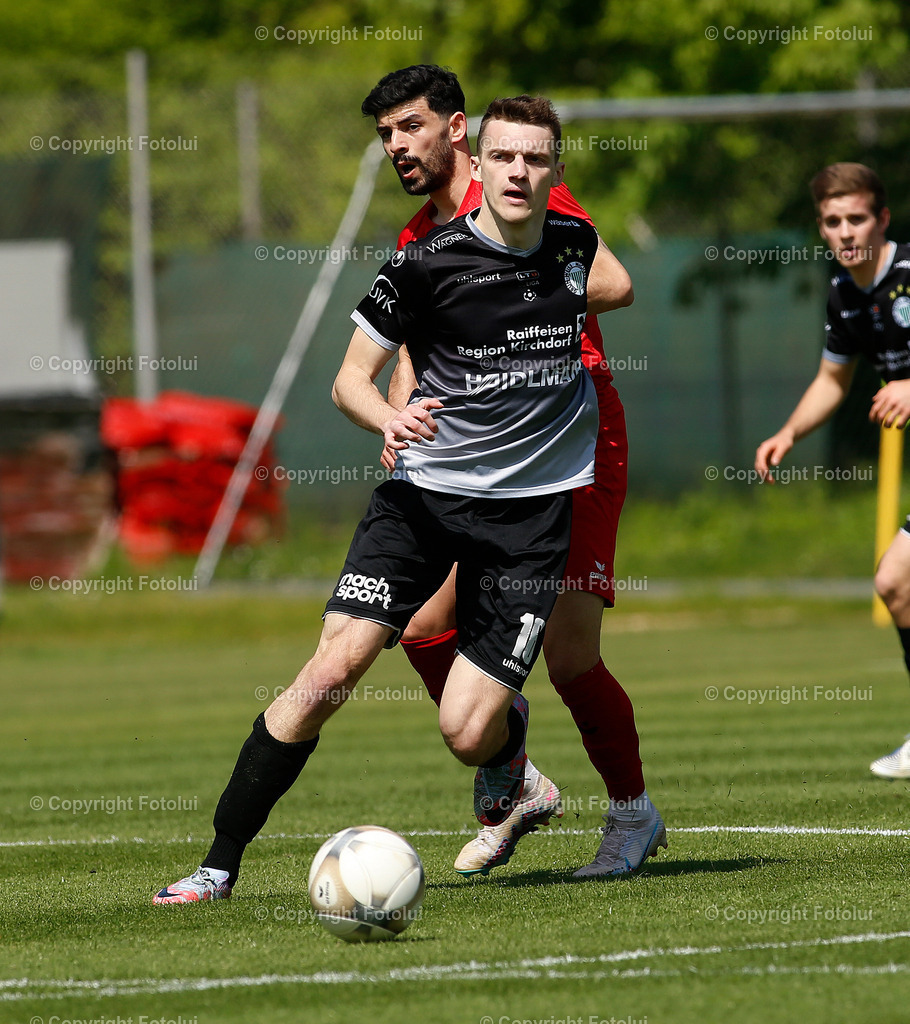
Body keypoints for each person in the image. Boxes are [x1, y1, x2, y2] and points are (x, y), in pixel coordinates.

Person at [155, 95, 612, 904]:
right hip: (423, 499)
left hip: (531, 519)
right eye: (505, 158)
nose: (518, 172)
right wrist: (393, 415)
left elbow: (613, 289)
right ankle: (216, 866)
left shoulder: (575, 244)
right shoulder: (421, 262)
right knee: (335, 666)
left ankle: (510, 758)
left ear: (556, 174)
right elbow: (346, 382)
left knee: (468, 732)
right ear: (485, 159)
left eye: (534, 160)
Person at [360, 65, 666, 878]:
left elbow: (608, 281)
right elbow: (411, 351)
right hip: (468, 459)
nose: (396, 146)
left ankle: (633, 815)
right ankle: (518, 773)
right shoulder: (416, 241)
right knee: (421, 627)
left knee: (569, 653)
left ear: (456, 130)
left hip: (570, 445)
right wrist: (400, 422)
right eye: (386, 133)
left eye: (409, 128)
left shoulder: (518, 189)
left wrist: (509, 302)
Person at [755, 161, 910, 780]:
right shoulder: (845, 292)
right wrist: (789, 432)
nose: (845, 232)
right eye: (832, 221)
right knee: (897, 582)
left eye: (857, 218)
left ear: (883, 219)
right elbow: (832, 379)